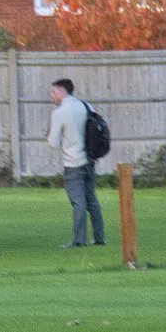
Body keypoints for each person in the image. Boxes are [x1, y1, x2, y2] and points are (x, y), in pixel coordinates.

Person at [47, 78, 105, 249]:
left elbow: (53, 142)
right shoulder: (86, 106)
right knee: (91, 199)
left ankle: (79, 240)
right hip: (89, 159)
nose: (52, 96)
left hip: (73, 162)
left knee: (78, 202)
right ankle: (100, 237)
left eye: (53, 92)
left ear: (61, 91)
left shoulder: (60, 112)